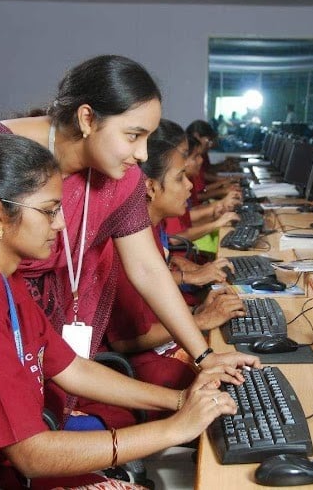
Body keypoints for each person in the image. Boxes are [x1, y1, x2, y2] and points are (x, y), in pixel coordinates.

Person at [0, 55, 258, 425]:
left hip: (47, 328)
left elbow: (146, 267)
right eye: (133, 135)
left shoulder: (122, 179)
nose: (143, 154)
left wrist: (205, 356)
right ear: (86, 119)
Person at [0, 134, 237, 488]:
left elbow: (71, 368)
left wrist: (177, 401)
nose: (61, 224)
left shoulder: (3, 277)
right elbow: (32, 455)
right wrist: (175, 429)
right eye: (49, 210)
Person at [102, 120, 245, 426]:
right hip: (143, 363)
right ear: (150, 187)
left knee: (235, 365)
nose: (191, 185)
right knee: (235, 388)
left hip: (160, 349)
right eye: (180, 177)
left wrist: (197, 315)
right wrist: (200, 319)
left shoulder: (145, 231)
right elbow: (126, 343)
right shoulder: (127, 247)